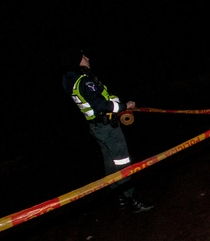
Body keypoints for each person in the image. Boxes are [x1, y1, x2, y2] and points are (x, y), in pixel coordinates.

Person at [61, 49, 153, 213]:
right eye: (83, 56)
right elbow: (102, 105)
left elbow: (103, 99)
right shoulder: (84, 82)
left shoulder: (74, 80)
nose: (87, 58)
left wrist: (118, 103)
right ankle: (130, 199)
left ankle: (119, 195)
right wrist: (125, 107)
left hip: (97, 127)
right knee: (123, 164)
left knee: (110, 163)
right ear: (77, 61)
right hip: (107, 128)